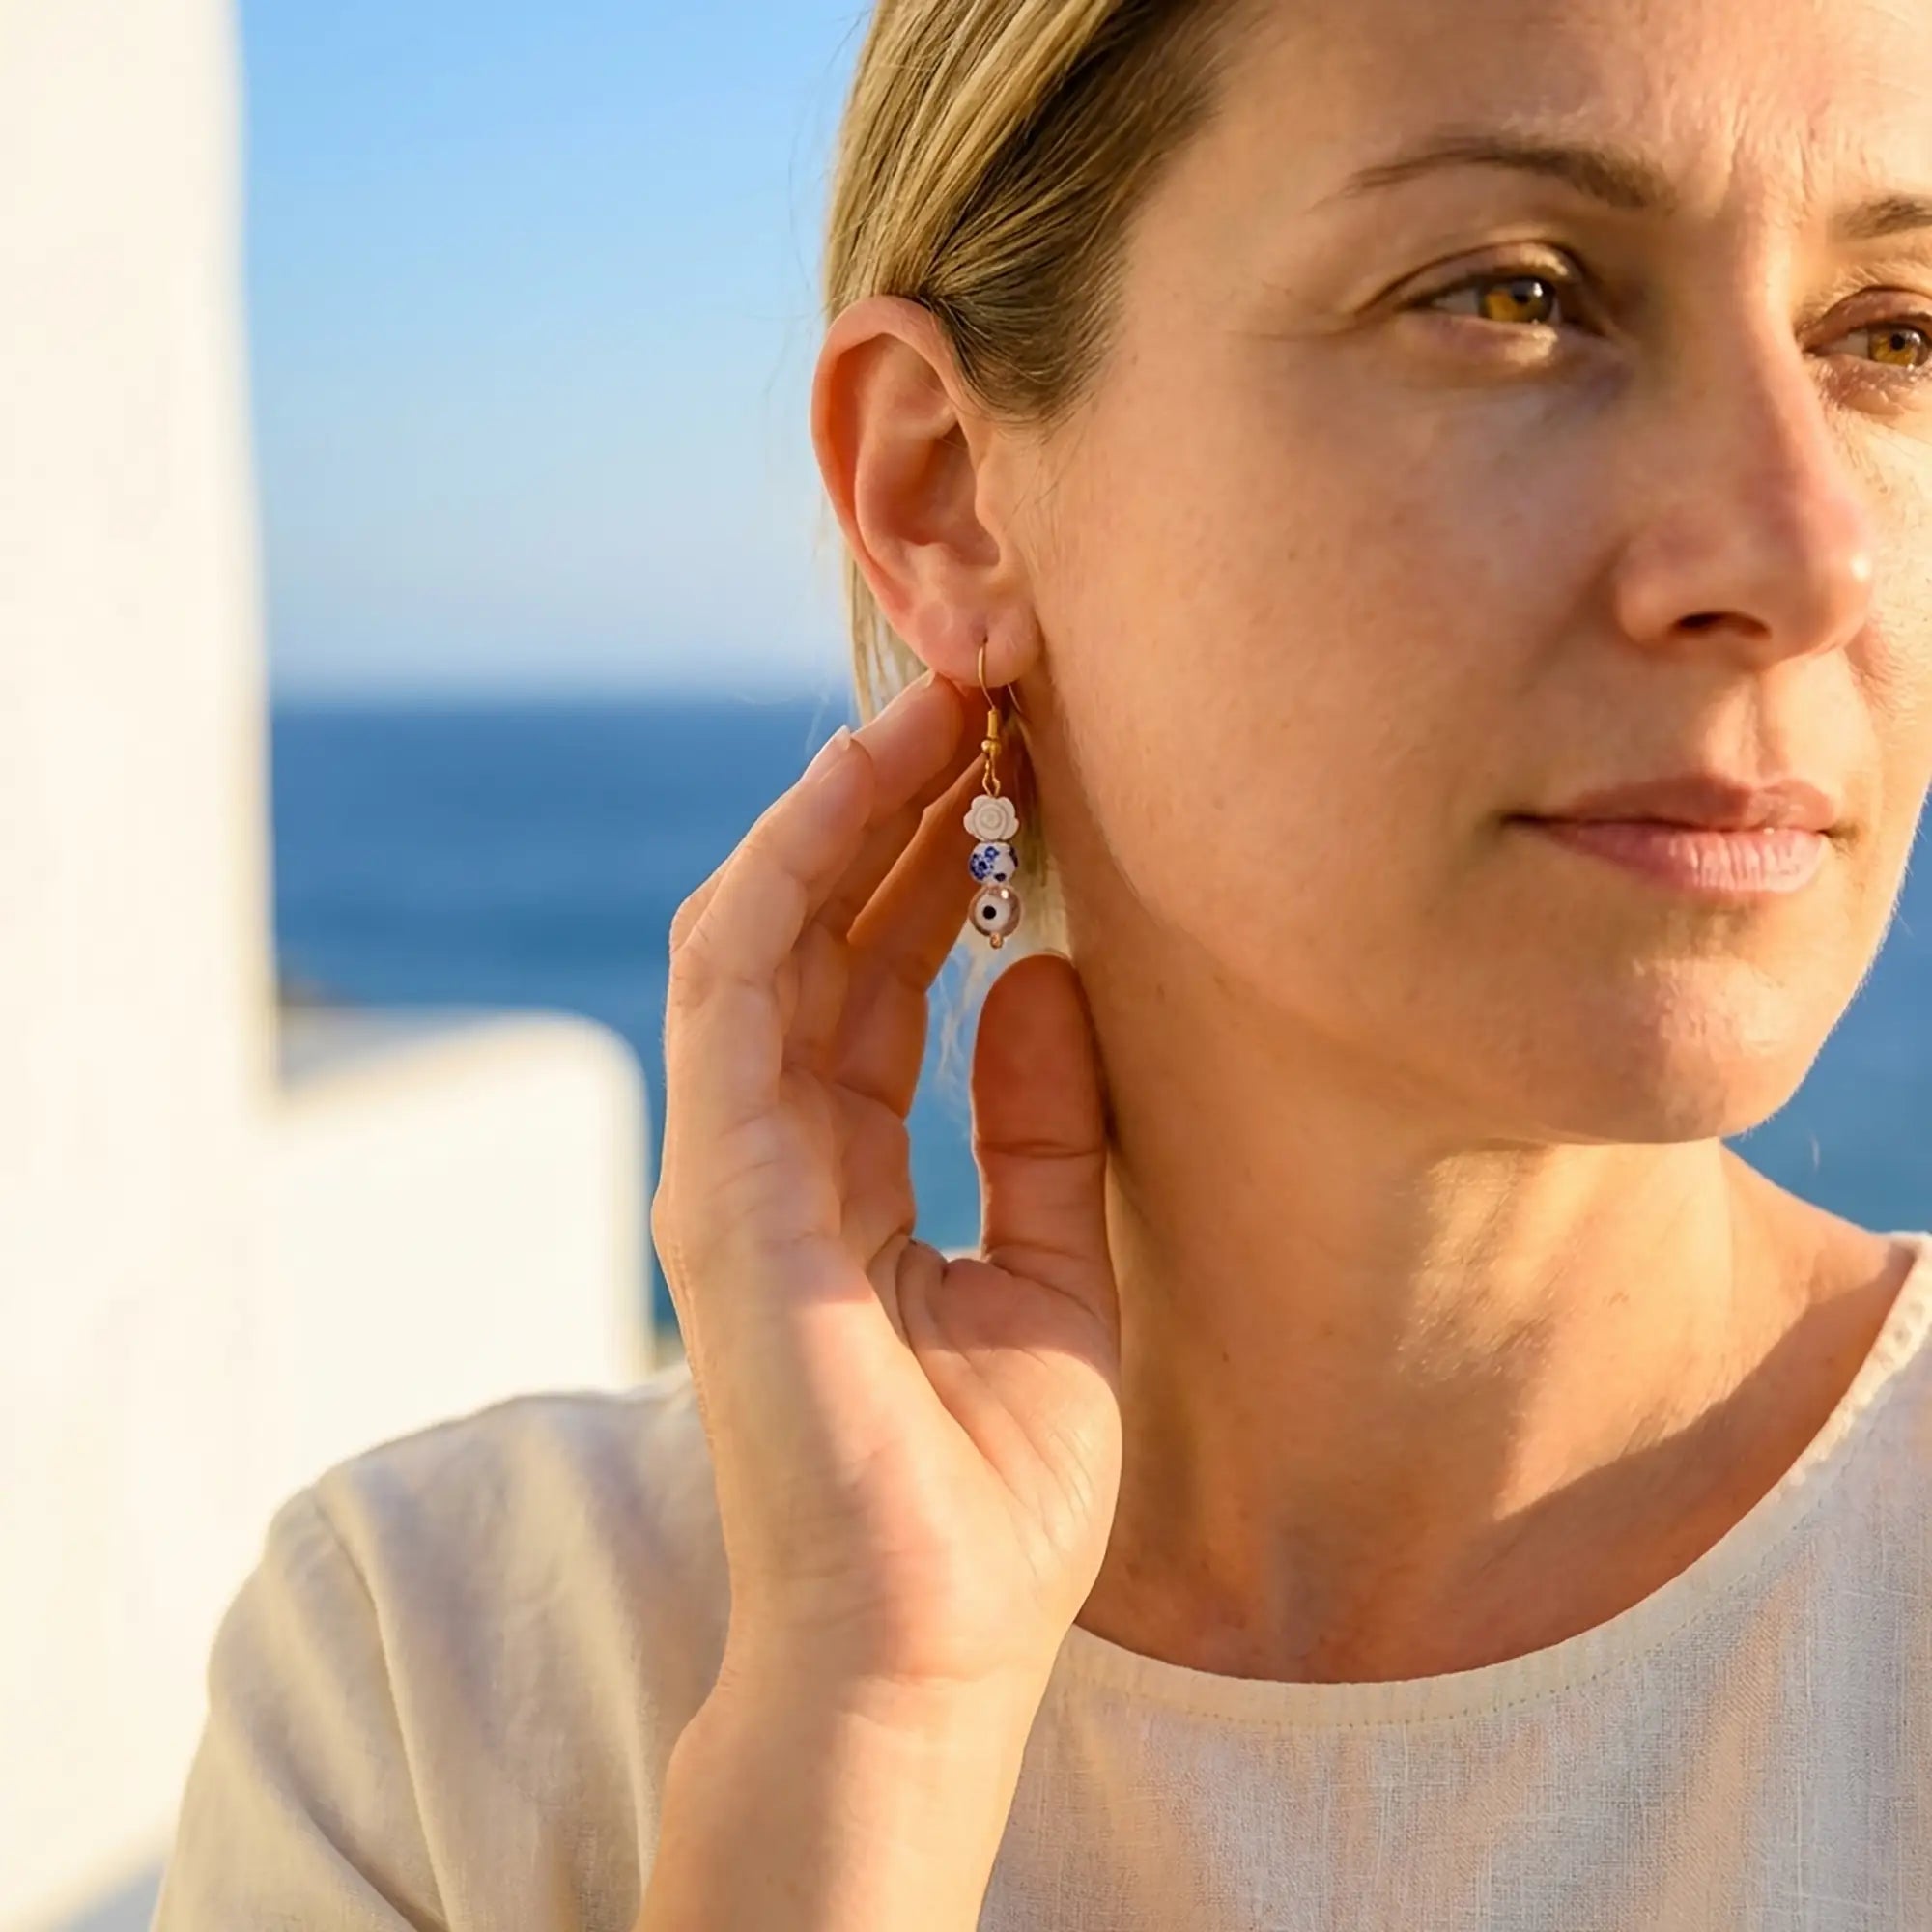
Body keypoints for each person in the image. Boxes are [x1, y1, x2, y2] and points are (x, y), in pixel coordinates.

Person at [153, 0, 1932, 1924]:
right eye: (1510, 295)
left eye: (1895, 338)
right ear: (945, 491)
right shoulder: (448, 1695)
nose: (1805, 549)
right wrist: (867, 1738)